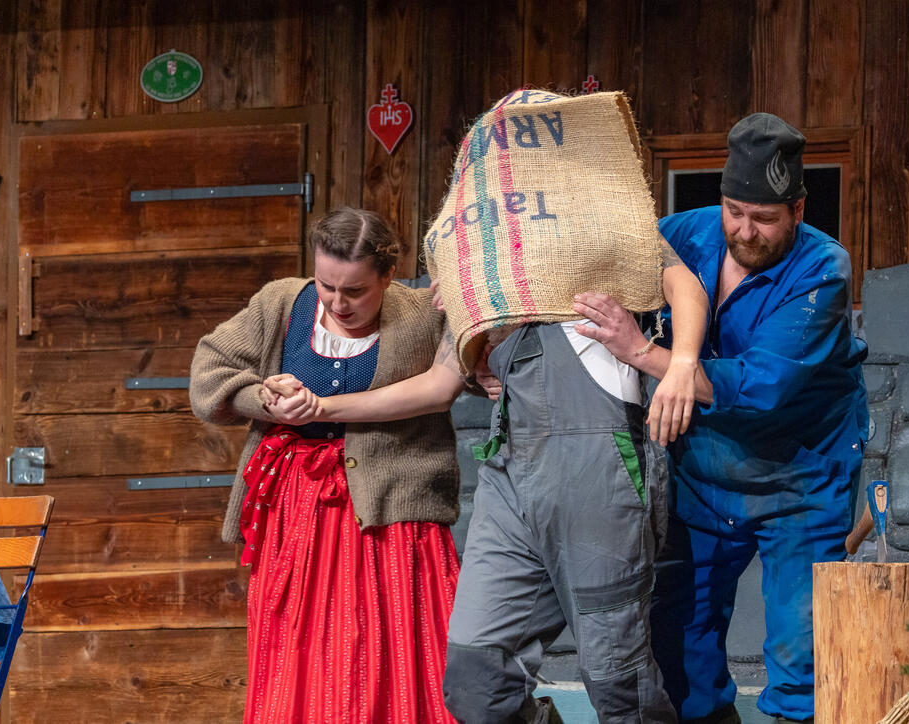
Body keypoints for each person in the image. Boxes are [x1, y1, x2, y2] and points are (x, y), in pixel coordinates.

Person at [264, 240, 710, 723]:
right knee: (475, 683)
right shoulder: (488, 227)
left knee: (617, 680)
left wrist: (678, 359)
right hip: (511, 473)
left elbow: (682, 282)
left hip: (597, 469)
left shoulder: (597, 212)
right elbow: (444, 377)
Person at [572, 113, 868, 724]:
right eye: (735, 210)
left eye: (764, 218)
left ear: (799, 211)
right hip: (704, 475)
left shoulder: (823, 271)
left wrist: (648, 355)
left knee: (800, 653)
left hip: (799, 482)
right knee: (680, 640)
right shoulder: (689, 233)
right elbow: (596, 262)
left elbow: (763, 384)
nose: (745, 230)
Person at [189, 207, 464, 723]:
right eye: (326, 285)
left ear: (388, 275)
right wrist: (263, 397)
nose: (338, 302)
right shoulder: (280, 303)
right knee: (302, 641)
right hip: (297, 512)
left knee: (403, 641)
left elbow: (469, 369)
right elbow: (209, 375)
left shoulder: (424, 314)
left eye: (356, 291)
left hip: (393, 512)